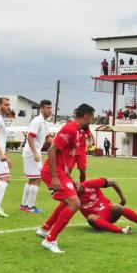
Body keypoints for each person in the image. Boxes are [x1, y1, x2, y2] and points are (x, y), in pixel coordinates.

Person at [35, 103, 96, 253]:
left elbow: (63, 157)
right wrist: (55, 178)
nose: (92, 121)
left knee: (71, 197)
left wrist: (70, 178)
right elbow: (51, 150)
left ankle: (45, 229)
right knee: (75, 203)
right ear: (86, 116)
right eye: (92, 118)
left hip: (61, 172)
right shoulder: (70, 129)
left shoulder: (77, 130)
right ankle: (50, 240)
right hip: (52, 172)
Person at [42, 178, 137, 235]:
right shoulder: (72, 198)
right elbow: (59, 212)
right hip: (98, 219)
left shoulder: (90, 184)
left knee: (117, 207)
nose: (74, 192)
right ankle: (121, 231)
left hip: (108, 210)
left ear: (77, 184)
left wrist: (122, 198)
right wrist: (48, 225)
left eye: (75, 189)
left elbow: (113, 182)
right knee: (91, 218)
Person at [21, 99, 52, 213]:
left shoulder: (44, 122)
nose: (50, 110)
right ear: (42, 108)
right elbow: (30, 137)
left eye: (50, 108)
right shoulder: (37, 121)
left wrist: (60, 146)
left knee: (32, 179)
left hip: (32, 153)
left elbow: (48, 139)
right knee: (38, 178)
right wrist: (35, 153)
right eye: (48, 108)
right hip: (31, 154)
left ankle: (24, 205)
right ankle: (30, 207)